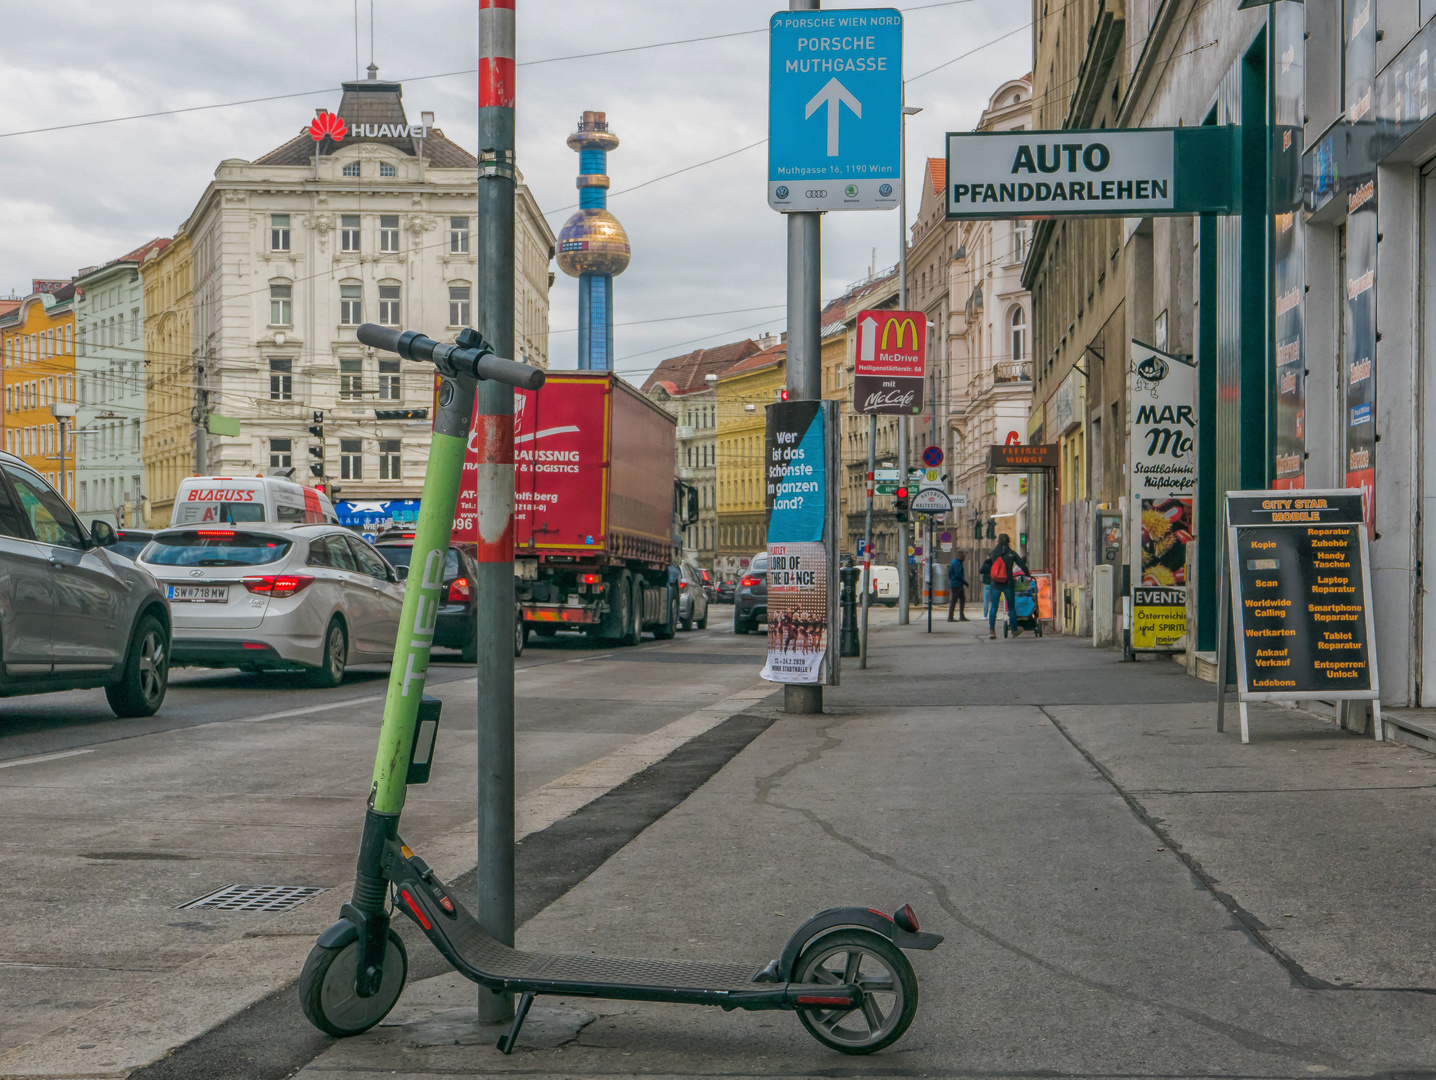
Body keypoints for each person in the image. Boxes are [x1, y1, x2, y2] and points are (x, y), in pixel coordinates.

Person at [980, 533, 1029, 640]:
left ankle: (992, 630)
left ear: (998, 541)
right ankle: (1014, 629)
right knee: (1011, 608)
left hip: (995, 584)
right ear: (1008, 541)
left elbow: (987, 566)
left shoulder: (994, 553)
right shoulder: (1011, 553)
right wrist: (1028, 574)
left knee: (994, 607)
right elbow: (1021, 564)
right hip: (1008, 583)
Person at [947, 552, 968, 621]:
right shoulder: (958, 564)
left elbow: (950, 574)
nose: (965, 558)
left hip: (955, 583)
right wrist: (965, 582)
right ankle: (951, 616)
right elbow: (958, 575)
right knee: (954, 600)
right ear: (961, 557)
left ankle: (961, 615)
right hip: (957, 584)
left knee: (961, 599)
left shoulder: (953, 562)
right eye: (964, 557)